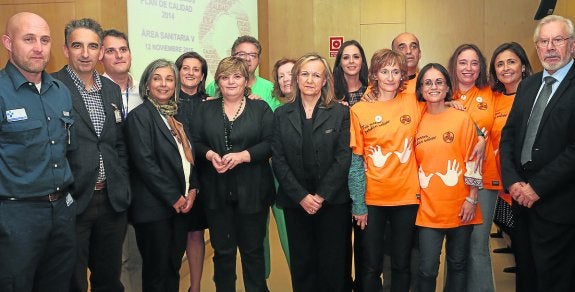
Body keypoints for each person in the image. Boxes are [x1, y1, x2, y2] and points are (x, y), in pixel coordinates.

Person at [0, 12, 76, 292]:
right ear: (8, 42)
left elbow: (70, 150)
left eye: (45, 40)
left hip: (62, 212)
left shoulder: (61, 92)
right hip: (16, 216)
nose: (38, 47)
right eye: (29, 39)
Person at [52, 18, 130, 292]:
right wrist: (66, 194)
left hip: (111, 201)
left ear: (100, 52)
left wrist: (123, 184)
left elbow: (118, 142)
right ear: (65, 50)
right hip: (73, 201)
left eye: (92, 46)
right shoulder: (52, 87)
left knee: (108, 278)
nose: (85, 53)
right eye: (77, 46)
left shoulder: (110, 89)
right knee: (72, 280)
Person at [500, 15, 575, 292]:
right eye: (544, 41)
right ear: (536, 47)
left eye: (558, 40)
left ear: (573, 45)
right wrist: (513, 181)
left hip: (559, 205)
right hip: (522, 203)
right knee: (527, 277)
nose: (551, 47)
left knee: (555, 281)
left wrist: (537, 187)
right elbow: (508, 137)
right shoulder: (528, 85)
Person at [192, 56, 274, 291]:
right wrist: (209, 155)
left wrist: (243, 156)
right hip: (216, 193)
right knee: (223, 253)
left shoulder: (260, 108)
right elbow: (195, 142)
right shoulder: (205, 108)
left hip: (253, 193)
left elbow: (271, 142)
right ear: (218, 81)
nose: (231, 82)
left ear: (246, 81)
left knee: (253, 252)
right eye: (225, 77)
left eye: (237, 76)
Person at [272, 52, 352, 292]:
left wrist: (321, 196)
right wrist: (302, 197)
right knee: (303, 264)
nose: (309, 80)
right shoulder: (281, 115)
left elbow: (343, 158)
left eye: (316, 75)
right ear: (296, 78)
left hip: (333, 202)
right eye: (304, 74)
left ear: (325, 80)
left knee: (333, 265)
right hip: (296, 203)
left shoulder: (340, 113)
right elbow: (279, 160)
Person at [349, 49, 420, 292]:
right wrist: (358, 203)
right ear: (375, 75)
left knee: (401, 263)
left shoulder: (414, 102)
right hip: (373, 200)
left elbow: (441, 112)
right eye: (384, 71)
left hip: (407, 198)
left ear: (403, 76)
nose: (390, 77)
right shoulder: (359, 110)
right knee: (370, 265)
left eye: (396, 71)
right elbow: (356, 162)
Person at [126, 58, 196, 292]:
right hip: (155, 209)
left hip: (180, 207)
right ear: (147, 85)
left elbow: (189, 159)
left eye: (169, 79)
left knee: (172, 268)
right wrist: (174, 197)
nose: (163, 84)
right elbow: (145, 164)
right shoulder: (140, 117)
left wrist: (193, 189)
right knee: (156, 274)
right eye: (157, 78)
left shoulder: (176, 116)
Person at [414, 63, 483, 292]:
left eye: (439, 82)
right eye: (427, 82)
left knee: (458, 264)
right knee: (427, 268)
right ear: (420, 88)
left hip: (461, 206)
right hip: (427, 209)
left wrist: (472, 199)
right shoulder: (416, 118)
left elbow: (474, 161)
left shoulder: (461, 118)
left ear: (447, 88)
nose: (433, 87)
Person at [447, 43, 498, 292]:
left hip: (485, 181)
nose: (468, 68)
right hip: (450, 183)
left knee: (478, 245)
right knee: (454, 248)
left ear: (481, 67)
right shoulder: (442, 95)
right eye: (463, 62)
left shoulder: (492, 93)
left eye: (474, 63)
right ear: (454, 66)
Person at [100, 28, 144, 292]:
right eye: (110, 50)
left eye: (123, 49)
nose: (118, 55)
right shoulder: (94, 93)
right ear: (100, 57)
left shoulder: (144, 92)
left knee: (139, 254)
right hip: (109, 188)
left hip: (143, 186)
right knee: (116, 259)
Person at [488, 41, 533, 280]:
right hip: (499, 189)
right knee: (521, 248)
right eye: (499, 64)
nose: (505, 68)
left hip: (528, 189)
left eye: (511, 62)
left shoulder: (536, 94)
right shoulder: (493, 98)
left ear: (524, 66)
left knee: (534, 251)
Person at [175, 51, 210, 292]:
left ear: (202, 76)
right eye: (185, 68)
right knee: (172, 238)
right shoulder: (166, 102)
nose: (190, 73)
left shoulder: (211, 104)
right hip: (174, 180)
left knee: (196, 234)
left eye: (196, 69)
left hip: (206, 179)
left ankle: (195, 288)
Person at [206, 35, 280, 108]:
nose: (247, 58)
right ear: (232, 57)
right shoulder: (215, 86)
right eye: (242, 54)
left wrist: (262, 107)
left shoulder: (269, 88)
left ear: (259, 60)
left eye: (252, 55)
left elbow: (276, 117)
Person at [333, 40, 369, 106]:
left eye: (356, 57)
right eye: (346, 58)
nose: (351, 61)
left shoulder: (370, 92)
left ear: (362, 61)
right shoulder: (330, 93)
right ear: (340, 63)